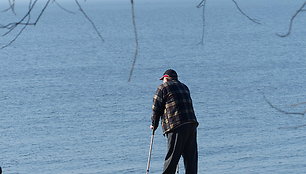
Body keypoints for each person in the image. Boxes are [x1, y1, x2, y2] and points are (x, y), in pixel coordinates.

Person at [150, 69, 199, 174]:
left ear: (166, 78)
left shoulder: (163, 87)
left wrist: (154, 124)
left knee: (172, 157)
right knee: (191, 158)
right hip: (191, 124)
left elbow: (156, 107)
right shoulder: (184, 87)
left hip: (176, 125)